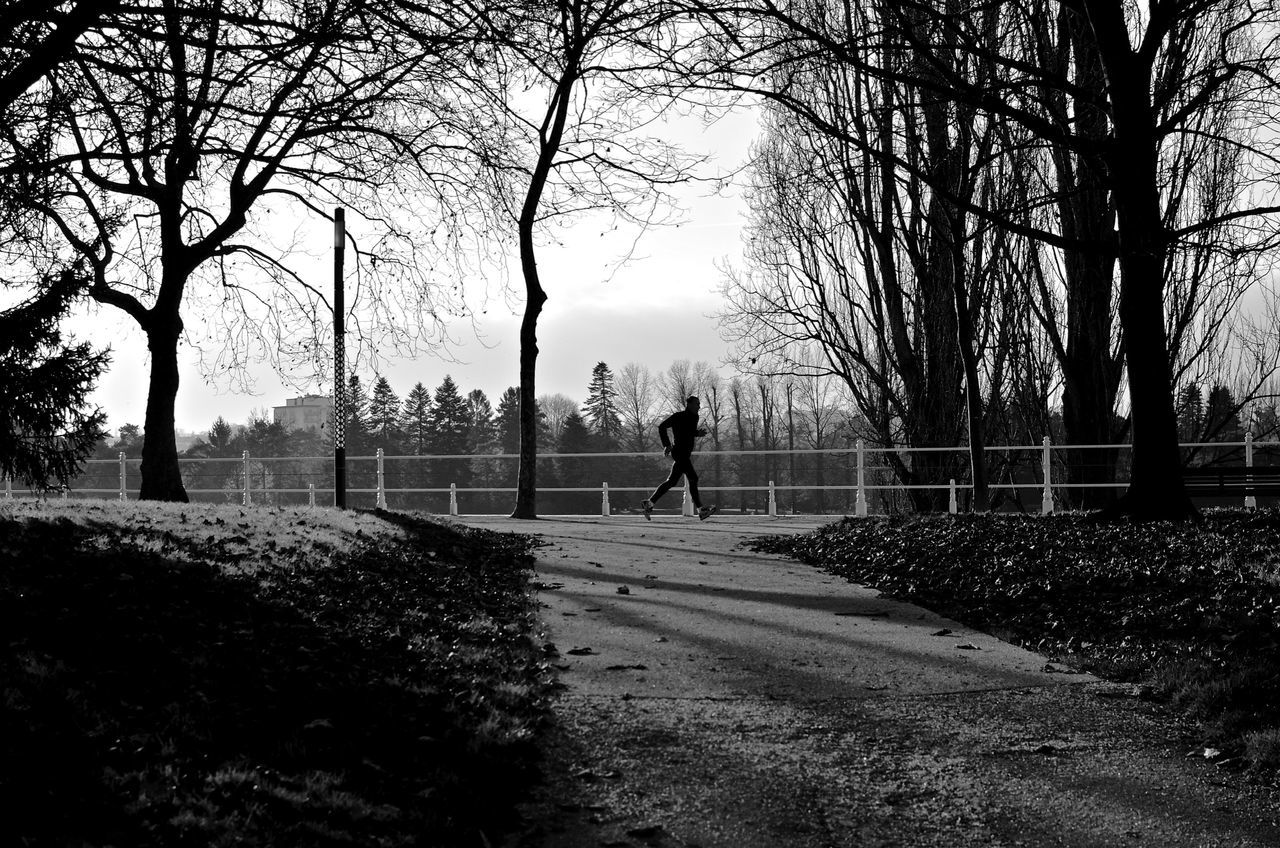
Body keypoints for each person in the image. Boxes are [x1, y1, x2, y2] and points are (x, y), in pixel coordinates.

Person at [642, 395, 716, 521]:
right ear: (690, 404)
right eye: (697, 404)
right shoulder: (678, 416)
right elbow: (662, 427)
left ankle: (649, 503)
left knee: (672, 481)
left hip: (684, 453)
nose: (699, 406)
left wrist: (696, 433)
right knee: (693, 478)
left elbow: (687, 432)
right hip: (679, 452)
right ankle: (701, 510)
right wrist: (667, 445)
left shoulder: (694, 416)